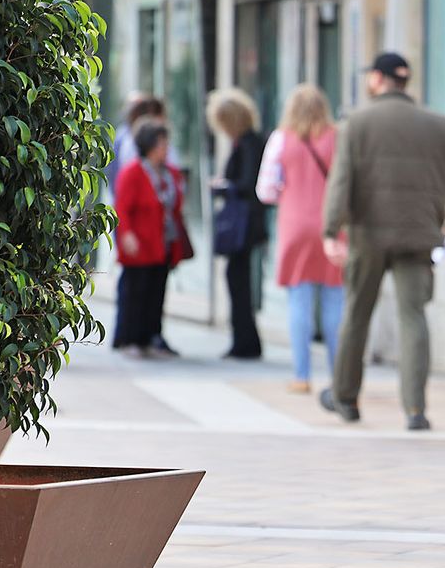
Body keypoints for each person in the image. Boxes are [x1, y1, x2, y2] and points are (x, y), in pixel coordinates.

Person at [320, 53, 445, 430]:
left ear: (377, 79)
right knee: (413, 317)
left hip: (367, 235)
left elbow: (341, 181)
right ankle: (415, 409)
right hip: (418, 234)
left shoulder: (356, 123)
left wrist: (331, 230)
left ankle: (345, 398)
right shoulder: (435, 125)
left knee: (357, 314)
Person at [258, 85, 346, 393]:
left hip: (295, 226)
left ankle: (302, 375)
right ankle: (340, 377)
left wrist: (289, 191)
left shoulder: (281, 139)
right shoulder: (338, 138)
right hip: (333, 227)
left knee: (299, 301)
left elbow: (265, 190)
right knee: (335, 302)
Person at [113, 119, 193, 358]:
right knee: (136, 291)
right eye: (161, 144)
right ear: (149, 145)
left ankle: (152, 336)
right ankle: (130, 338)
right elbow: (122, 207)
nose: (166, 148)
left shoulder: (171, 173)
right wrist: (126, 234)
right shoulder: (133, 172)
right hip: (141, 242)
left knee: (157, 292)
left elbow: (176, 205)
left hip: (163, 242)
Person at [207, 88, 268, 361]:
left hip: (245, 224)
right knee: (238, 280)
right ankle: (245, 341)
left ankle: (244, 343)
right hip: (247, 222)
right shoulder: (248, 142)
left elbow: (247, 185)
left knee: (237, 281)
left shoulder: (247, 144)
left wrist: (223, 187)